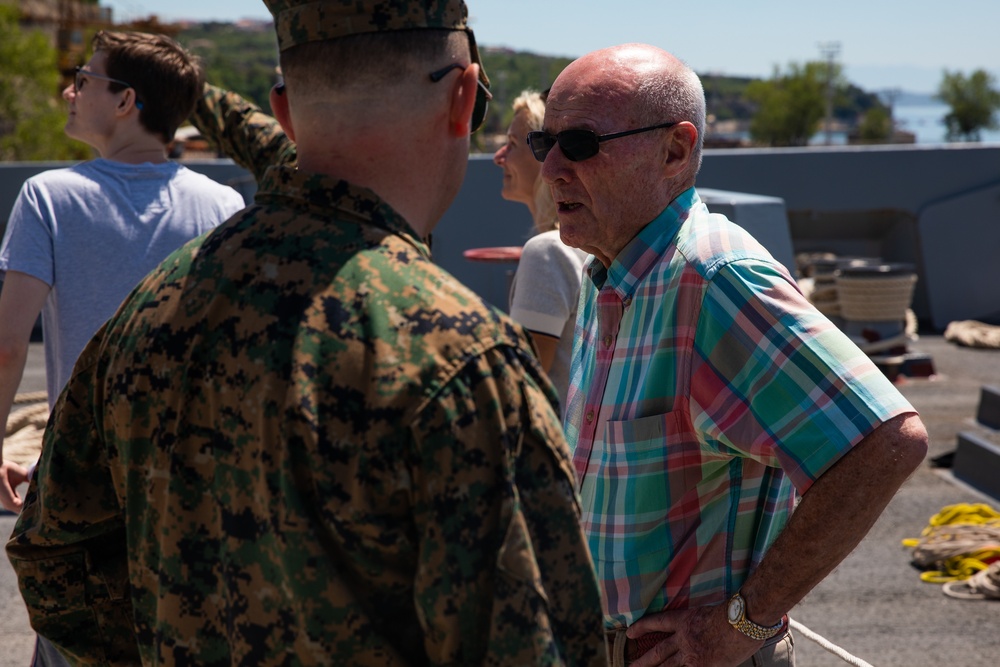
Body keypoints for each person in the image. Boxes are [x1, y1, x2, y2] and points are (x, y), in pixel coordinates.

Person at [6, 2, 607, 665]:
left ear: (285, 110)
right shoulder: (464, 361)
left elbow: (53, 560)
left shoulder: (146, 312)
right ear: (463, 99)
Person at [529, 43, 929, 667]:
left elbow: (886, 443)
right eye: (542, 142)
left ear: (675, 150)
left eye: (579, 143)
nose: (551, 166)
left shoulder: (715, 280)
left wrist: (743, 623)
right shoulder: (606, 274)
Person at [0, 29, 244, 665]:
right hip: (190, 487)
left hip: (79, 483)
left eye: (84, 78)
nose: (69, 90)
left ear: (125, 100)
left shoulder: (49, 197)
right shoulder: (224, 205)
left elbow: (6, 346)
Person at [493, 89, 587, 411]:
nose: (499, 156)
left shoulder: (547, 252)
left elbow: (516, 391)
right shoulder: (585, 245)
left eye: (514, 144)